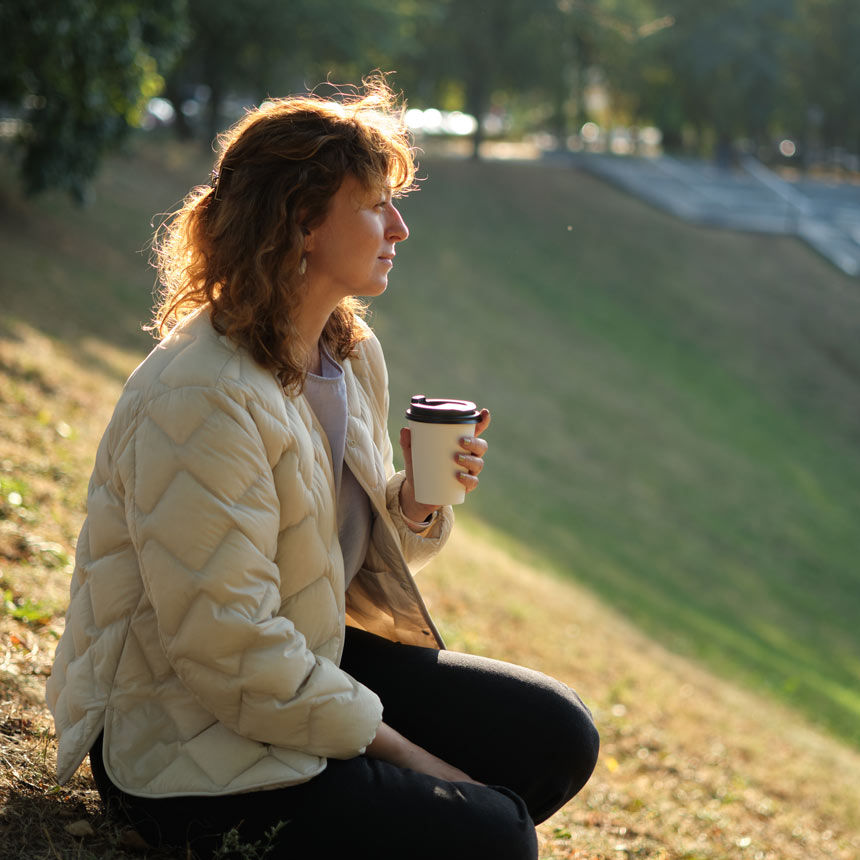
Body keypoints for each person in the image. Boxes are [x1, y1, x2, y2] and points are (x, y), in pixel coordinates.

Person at [46, 78, 599, 860]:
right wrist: (417, 760)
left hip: (305, 658)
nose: (400, 228)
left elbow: (340, 561)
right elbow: (228, 648)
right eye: (376, 205)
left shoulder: (345, 351)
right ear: (302, 221)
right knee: (495, 839)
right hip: (181, 742)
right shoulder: (201, 396)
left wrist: (412, 505)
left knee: (557, 733)